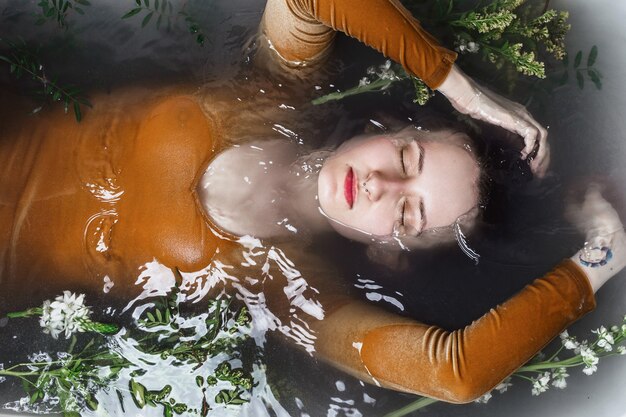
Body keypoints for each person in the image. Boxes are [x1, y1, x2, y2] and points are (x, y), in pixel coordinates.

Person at [0, 0, 624, 404]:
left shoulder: (291, 292)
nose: (381, 184)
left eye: (407, 214)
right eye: (408, 159)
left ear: (392, 255)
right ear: (385, 124)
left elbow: (455, 373)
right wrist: (464, 92)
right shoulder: (272, 91)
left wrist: (604, 252)